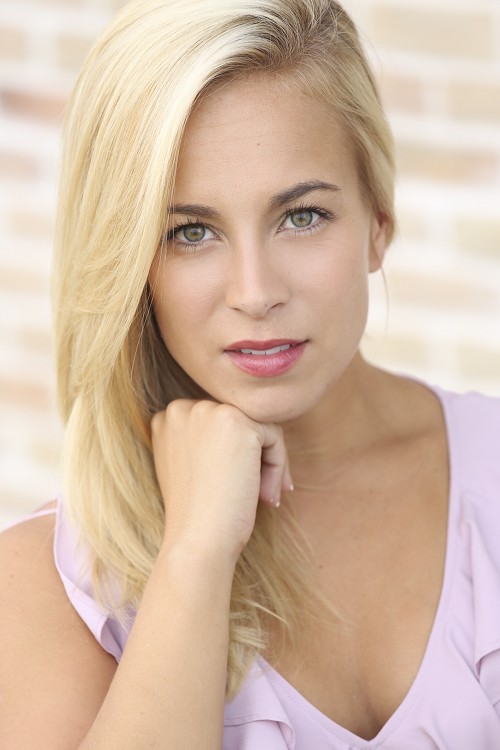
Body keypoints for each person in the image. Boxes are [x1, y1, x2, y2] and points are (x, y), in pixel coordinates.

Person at [1, 0, 499, 747]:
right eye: (190, 232)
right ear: (131, 263)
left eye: (301, 216)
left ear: (379, 221)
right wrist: (195, 553)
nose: (255, 292)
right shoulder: (42, 587)